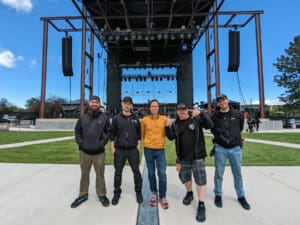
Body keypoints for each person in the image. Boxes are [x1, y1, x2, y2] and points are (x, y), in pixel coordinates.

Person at [166, 103, 214, 222]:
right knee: (185, 177)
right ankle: (189, 193)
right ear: (177, 111)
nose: (181, 111)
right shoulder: (176, 124)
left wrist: (202, 114)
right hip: (183, 158)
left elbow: (210, 125)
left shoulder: (196, 119)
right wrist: (167, 127)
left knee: (200, 180)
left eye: (183, 109)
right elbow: (171, 137)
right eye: (179, 110)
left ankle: (201, 204)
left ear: (187, 110)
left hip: (198, 156)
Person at [210, 94, 251, 210]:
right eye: (219, 101)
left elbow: (240, 128)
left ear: (227, 101)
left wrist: (234, 139)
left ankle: (241, 196)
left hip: (235, 149)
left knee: (237, 174)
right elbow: (213, 130)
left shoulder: (238, 115)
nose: (222, 103)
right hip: (220, 148)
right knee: (218, 173)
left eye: (223, 100)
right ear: (217, 104)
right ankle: (218, 194)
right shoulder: (214, 116)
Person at [71, 95, 111, 208]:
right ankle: (83, 195)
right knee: (84, 175)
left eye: (96, 102)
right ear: (89, 103)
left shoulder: (104, 117)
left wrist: (101, 144)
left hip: (99, 152)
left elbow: (108, 132)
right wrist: (81, 143)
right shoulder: (83, 117)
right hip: (85, 152)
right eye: (92, 102)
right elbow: (77, 131)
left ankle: (102, 195)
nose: (94, 104)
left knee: (100, 174)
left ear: (99, 104)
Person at [110, 96, 143, 205]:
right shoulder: (116, 118)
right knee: (118, 173)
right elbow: (112, 134)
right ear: (122, 104)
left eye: (129, 103)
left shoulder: (136, 118)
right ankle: (116, 193)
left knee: (136, 172)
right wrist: (112, 147)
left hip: (133, 150)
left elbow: (139, 134)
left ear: (131, 105)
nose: (127, 105)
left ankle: (138, 192)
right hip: (119, 150)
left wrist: (138, 146)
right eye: (125, 103)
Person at [141, 99, 170, 209]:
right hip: (148, 150)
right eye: (152, 106)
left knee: (162, 173)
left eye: (156, 106)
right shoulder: (144, 120)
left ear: (159, 108)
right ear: (149, 108)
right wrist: (149, 142)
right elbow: (143, 134)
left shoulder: (164, 119)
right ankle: (154, 193)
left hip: (160, 150)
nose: (154, 108)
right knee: (151, 173)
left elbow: (169, 131)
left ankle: (162, 196)